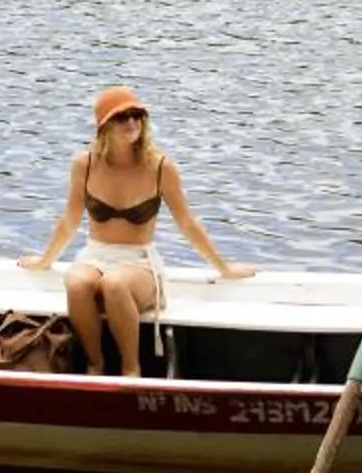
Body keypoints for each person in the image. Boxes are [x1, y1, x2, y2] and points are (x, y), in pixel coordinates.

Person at [20, 86, 254, 377]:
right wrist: (44, 262)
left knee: (116, 284)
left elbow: (187, 224)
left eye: (137, 115)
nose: (132, 122)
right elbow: (69, 221)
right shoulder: (85, 164)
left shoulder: (160, 167)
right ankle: (95, 365)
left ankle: (132, 369)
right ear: (103, 126)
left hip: (139, 261)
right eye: (122, 117)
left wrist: (224, 268)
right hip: (96, 254)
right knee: (76, 282)